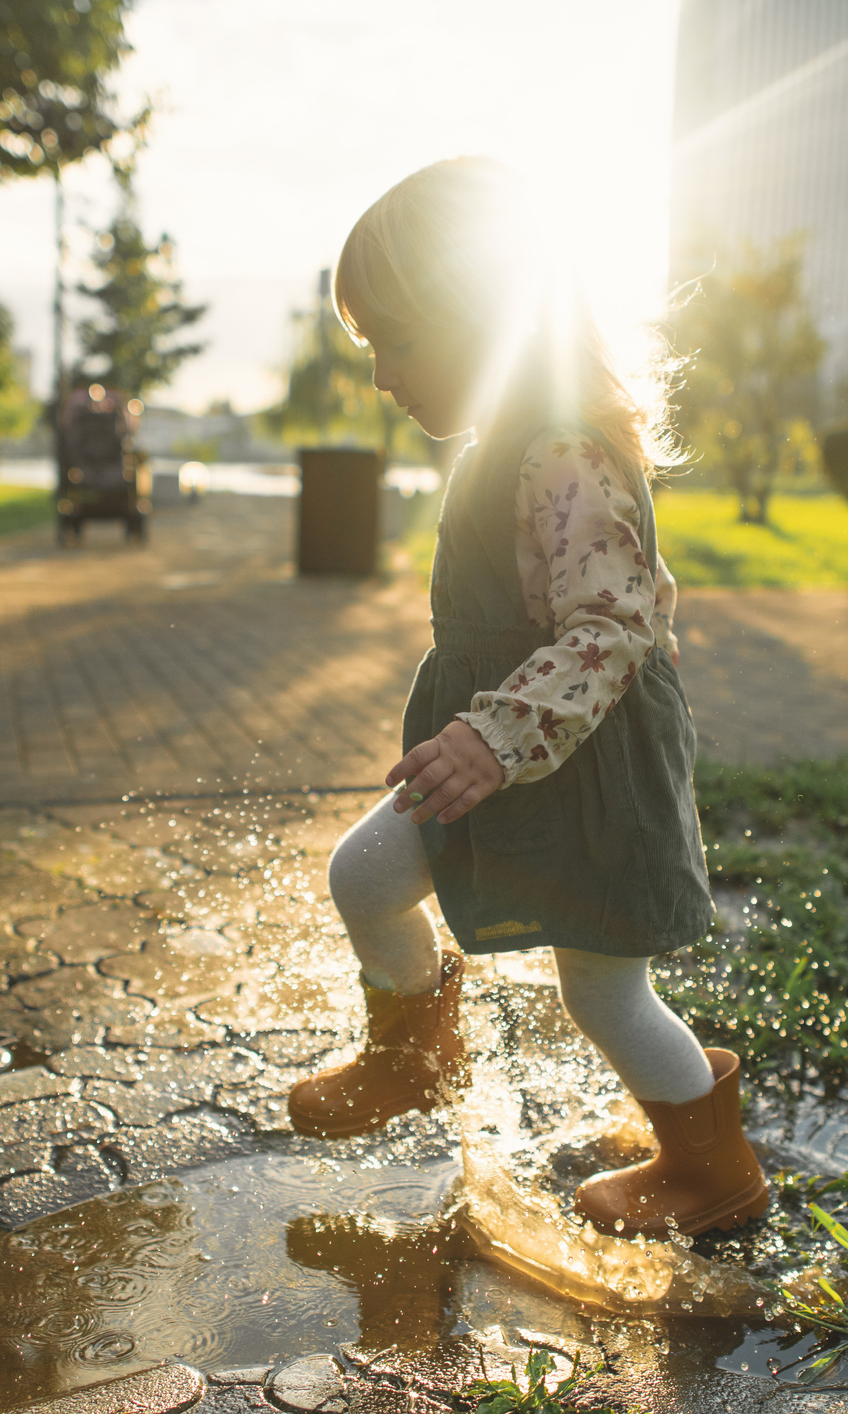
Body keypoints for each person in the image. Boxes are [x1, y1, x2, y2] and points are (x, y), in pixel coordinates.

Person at [285, 158, 770, 1241]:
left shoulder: (562, 451)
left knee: (603, 994)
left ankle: (711, 1170)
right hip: (495, 758)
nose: (382, 378)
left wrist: (494, 732)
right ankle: (414, 1053)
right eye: (371, 350)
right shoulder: (501, 445)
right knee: (365, 873)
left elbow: (612, 627)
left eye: (397, 342)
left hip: (582, 772)